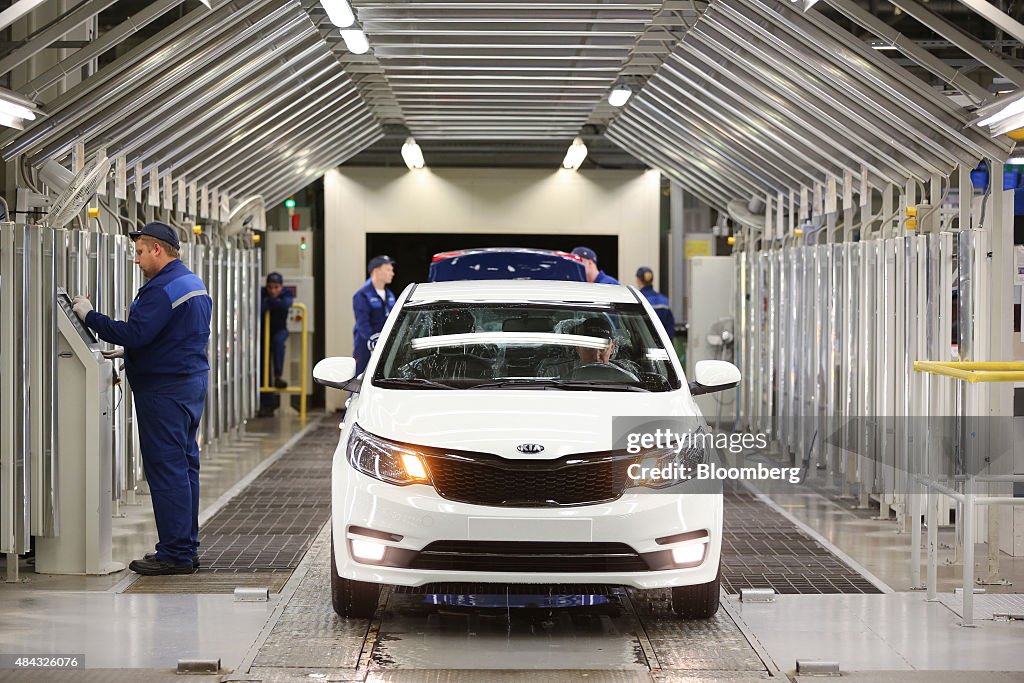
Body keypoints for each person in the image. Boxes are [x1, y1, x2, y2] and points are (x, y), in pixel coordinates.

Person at [73, 222, 211, 576]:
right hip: (188, 385)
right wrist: (129, 356)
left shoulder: (161, 289)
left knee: (166, 469)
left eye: (139, 252)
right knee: (184, 467)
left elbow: (136, 332)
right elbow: (171, 337)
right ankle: (185, 546)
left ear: (158, 250)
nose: (136, 260)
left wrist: (89, 315)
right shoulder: (192, 282)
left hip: (163, 391)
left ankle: (175, 553)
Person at [353, 255, 397, 376]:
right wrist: (373, 340)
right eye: (388, 270)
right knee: (360, 377)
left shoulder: (390, 295)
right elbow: (363, 324)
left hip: (383, 344)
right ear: (376, 271)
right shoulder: (362, 295)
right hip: (366, 345)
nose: (392, 273)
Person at [257, 272, 294, 417]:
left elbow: (285, 305)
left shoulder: (286, 293)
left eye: (276, 287)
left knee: (278, 343)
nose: (273, 291)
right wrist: (274, 303)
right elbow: (259, 309)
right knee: (263, 367)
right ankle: (268, 404)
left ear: (281, 286)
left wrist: (270, 303)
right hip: (263, 334)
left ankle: (278, 375)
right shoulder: (261, 292)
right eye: (270, 287)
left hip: (279, 331)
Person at [635, 266, 675, 341]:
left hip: (645, 343)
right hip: (663, 344)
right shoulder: (664, 301)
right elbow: (670, 328)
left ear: (639, 280)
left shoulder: (638, 300)